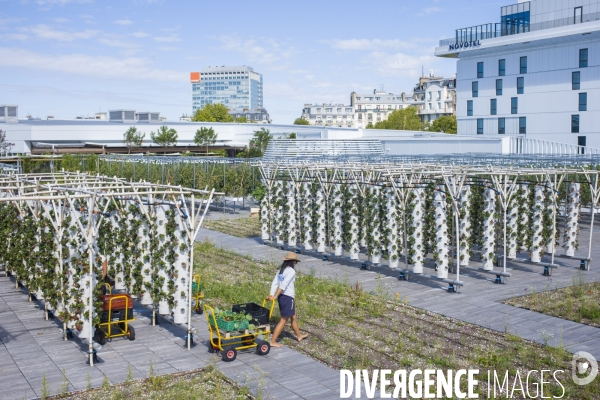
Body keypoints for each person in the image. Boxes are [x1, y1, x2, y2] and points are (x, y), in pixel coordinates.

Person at [266, 252, 308, 348]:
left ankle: (299, 336)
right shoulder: (291, 271)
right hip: (287, 297)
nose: (295, 264)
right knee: (283, 320)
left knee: (293, 317)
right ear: (292, 262)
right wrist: (275, 296)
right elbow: (283, 285)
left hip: (282, 297)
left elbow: (275, 283)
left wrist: (272, 294)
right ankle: (273, 341)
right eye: (295, 262)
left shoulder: (281, 270)